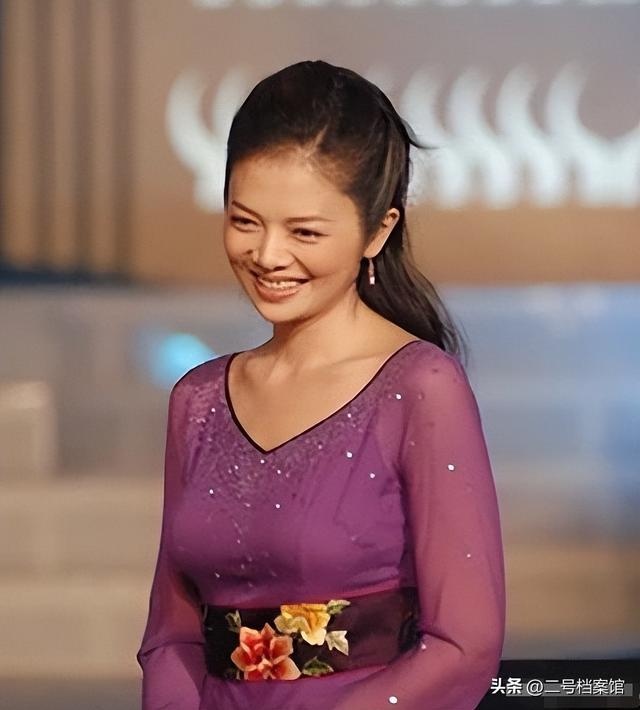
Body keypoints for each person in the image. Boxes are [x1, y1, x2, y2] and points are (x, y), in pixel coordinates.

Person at [136, 59, 506, 710]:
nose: (267, 255)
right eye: (245, 221)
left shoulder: (419, 387)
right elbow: (173, 635)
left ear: (378, 231)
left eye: (304, 232)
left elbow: (464, 645)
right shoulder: (197, 400)